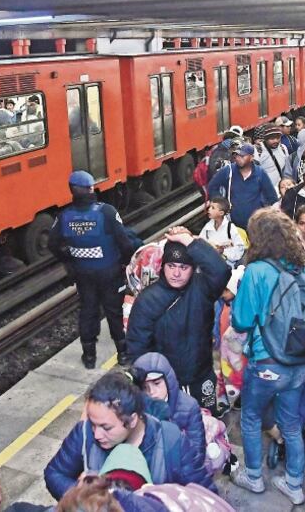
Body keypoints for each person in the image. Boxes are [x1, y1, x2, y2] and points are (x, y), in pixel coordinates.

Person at [230, 208, 305, 505]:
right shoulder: (302, 271)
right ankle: (294, 484)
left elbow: (241, 321)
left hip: (266, 362)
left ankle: (254, 477)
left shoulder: (256, 272)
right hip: (298, 363)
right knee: (291, 424)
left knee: (251, 417)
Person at [44, 371, 214, 500]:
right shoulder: (84, 432)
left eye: (106, 427)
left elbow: (205, 495)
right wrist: (85, 498)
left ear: (132, 420)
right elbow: (55, 473)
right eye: (93, 423)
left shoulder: (171, 442)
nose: (96, 434)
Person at [126, 228, 231, 411]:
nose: (176, 273)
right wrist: (149, 384)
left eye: (183, 267)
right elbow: (137, 348)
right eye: (171, 266)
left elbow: (221, 271)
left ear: (193, 268)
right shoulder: (148, 300)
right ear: (163, 267)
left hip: (202, 377)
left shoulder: (202, 288)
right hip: (167, 383)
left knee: (207, 421)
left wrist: (190, 242)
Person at [49, 171, 141, 369]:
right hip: (110, 273)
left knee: (88, 312)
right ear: (91, 188)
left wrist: (70, 260)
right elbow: (124, 243)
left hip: (83, 275)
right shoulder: (106, 212)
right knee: (114, 312)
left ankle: (89, 357)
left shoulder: (64, 217)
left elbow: (52, 245)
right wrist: (125, 263)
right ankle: (123, 354)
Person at [132, 352, 208, 471]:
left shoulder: (189, 407)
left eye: (157, 383)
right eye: (144, 387)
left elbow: (197, 449)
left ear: (168, 380)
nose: (151, 391)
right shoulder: (136, 408)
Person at [206, 144, 278, 230]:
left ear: (251, 157)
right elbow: (212, 186)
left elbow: (271, 196)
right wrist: (221, 203)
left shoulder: (260, 173)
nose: (238, 158)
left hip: (256, 223)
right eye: (236, 155)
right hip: (235, 225)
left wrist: (263, 209)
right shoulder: (228, 171)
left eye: (242, 156)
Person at [197, 196, 245, 267]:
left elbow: (239, 250)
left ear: (221, 213)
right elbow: (200, 242)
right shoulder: (207, 227)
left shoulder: (230, 228)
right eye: (209, 207)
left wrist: (223, 251)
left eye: (213, 208)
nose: (209, 209)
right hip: (210, 264)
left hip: (227, 265)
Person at [254, 124, 292, 190]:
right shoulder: (257, 150)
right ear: (266, 138)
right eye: (272, 138)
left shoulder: (283, 148)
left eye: (278, 138)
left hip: (282, 190)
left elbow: (287, 170)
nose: (276, 141)